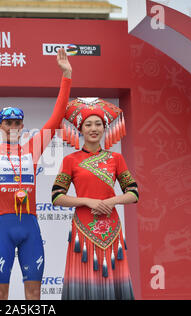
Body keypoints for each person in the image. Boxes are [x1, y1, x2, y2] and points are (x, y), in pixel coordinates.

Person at [0, 48, 72, 300]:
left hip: (30, 226)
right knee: (0, 292)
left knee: (34, 292)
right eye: (8, 123)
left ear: (23, 125)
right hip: (2, 227)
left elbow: (57, 116)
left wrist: (66, 75)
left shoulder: (33, 147)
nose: (14, 127)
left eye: (18, 122)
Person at [51, 98, 139, 300]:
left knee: (112, 279)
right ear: (80, 130)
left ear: (105, 128)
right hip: (83, 228)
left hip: (111, 226)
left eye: (98, 124)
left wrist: (112, 200)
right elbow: (57, 196)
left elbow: (133, 193)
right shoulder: (70, 160)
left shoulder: (116, 159)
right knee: (85, 281)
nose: (93, 128)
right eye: (88, 124)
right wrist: (87, 201)